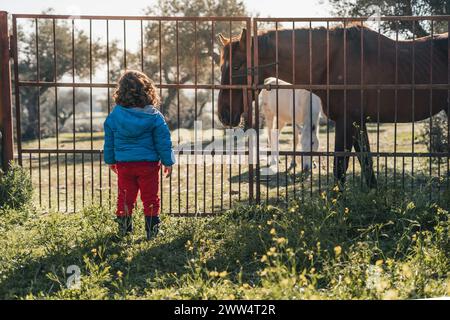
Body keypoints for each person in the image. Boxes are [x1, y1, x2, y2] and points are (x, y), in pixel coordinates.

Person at [103, 70, 175, 240]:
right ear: (147, 91)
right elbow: (163, 141)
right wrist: (168, 161)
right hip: (148, 165)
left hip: (124, 164)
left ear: (121, 92)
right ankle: (152, 232)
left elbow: (109, 141)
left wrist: (111, 161)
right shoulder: (154, 116)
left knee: (125, 197)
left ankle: (124, 231)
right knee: (150, 197)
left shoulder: (115, 116)